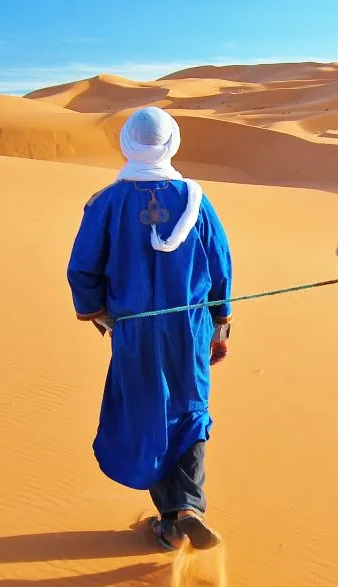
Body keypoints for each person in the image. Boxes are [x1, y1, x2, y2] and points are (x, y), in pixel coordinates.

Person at [66, 106, 233, 551]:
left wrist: (98, 313)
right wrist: (221, 321)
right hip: (189, 328)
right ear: (171, 142)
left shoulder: (105, 203)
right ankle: (185, 508)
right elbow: (220, 263)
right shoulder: (196, 199)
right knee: (190, 408)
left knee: (149, 411)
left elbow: (82, 269)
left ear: (126, 142)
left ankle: (173, 518)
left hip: (135, 332)